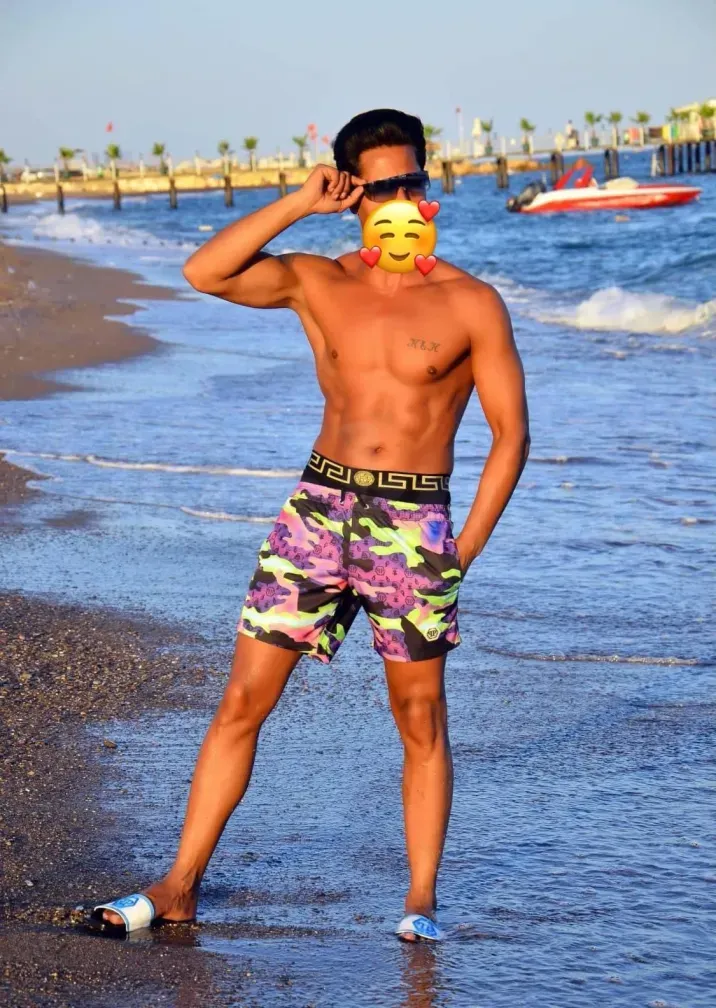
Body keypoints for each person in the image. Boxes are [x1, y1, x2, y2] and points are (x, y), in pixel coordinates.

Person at [92, 108, 530, 943]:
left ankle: (421, 902)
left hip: (413, 522)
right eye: (380, 188)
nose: (398, 199)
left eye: (411, 182)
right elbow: (204, 272)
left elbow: (512, 435)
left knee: (420, 718)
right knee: (241, 701)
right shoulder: (318, 282)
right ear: (352, 193)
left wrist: (463, 548)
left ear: (429, 188)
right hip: (317, 511)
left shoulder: (471, 302)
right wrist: (298, 202)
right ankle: (179, 885)